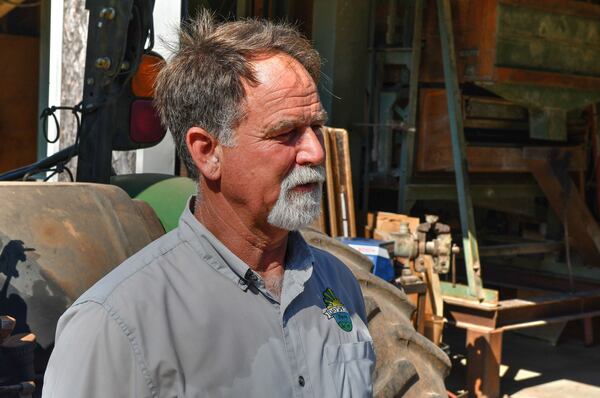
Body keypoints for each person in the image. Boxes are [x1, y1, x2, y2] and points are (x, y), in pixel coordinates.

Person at [42, 12, 374, 398]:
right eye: (287, 133)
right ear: (208, 152)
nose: (315, 151)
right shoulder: (114, 326)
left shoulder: (339, 287)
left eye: (315, 127)